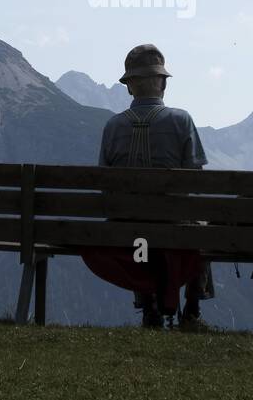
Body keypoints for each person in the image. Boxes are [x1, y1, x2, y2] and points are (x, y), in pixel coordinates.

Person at [81, 44, 213, 330]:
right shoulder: (182, 120)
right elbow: (196, 179)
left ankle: (149, 306)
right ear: (163, 83)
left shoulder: (112, 127)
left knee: (136, 226)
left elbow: (104, 180)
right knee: (202, 222)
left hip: (126, 227)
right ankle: (191, 310)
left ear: (129, 87)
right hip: (175, 226)